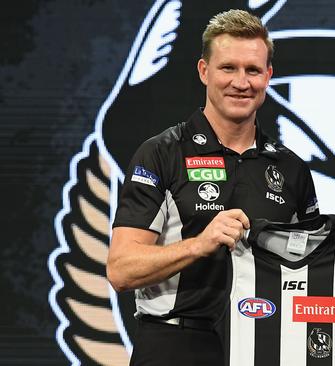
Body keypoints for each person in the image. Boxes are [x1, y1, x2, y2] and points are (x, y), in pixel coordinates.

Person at [106, 9, 319, 365]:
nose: (241, 82)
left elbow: (306, 271)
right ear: (205, 71)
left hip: (265, 343)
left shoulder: (291, 168)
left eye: (252, 70)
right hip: (175, 342)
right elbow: (121, 269)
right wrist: (199, 245)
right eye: (228, 68)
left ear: (268, 76)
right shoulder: (161, 153)